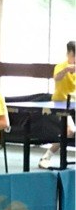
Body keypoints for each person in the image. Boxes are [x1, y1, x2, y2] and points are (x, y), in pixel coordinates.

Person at [39, 40, 75, 169]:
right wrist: (66, 70)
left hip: (74, 104)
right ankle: (46, 156)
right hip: (61, 104)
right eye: (74, 55)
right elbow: (57, 78)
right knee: (70, 131)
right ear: (69, 54)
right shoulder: (61, 66)